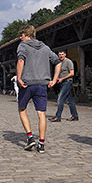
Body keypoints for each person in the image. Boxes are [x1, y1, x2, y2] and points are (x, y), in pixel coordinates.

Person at [16, 25, 61, 153]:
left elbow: (20, 61)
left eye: (22, 35)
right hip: (42, 84)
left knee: (22, 109)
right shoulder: (45, 48)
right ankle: (41, 143)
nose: (20, 37)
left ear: (27, 35)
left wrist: (19, 78)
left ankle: (30, 138)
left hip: (27, 83)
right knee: (41, 113)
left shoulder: (23, 46)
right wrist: (54, 79)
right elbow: (58, 62)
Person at [49, 51, 79, 122]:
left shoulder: (68, 62)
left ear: (65, 54)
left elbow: (72, 73)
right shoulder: (59, 62)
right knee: (69, 100)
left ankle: (58, 116)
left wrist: (62, 78)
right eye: (59, 54)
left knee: (60, 99)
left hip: (67, 82)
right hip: (61, 83)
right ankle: (75, 116)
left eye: (62, 54)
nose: (61, 56)